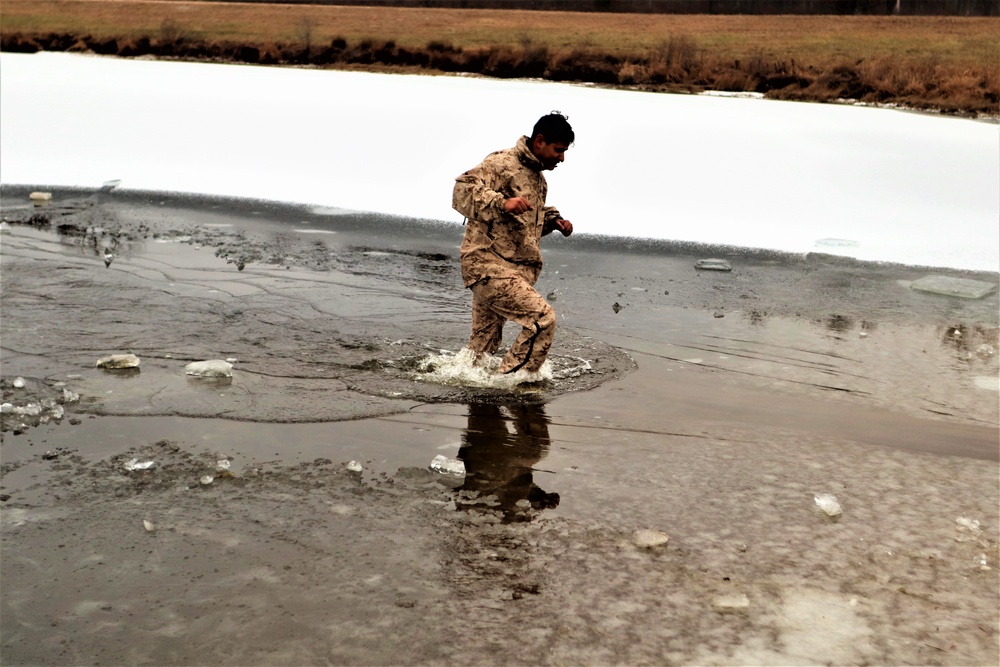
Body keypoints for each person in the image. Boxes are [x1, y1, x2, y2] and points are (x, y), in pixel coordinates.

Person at [452, 112, 575, 379]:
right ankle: (514, 384)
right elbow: (462, 190)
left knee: (482, 346)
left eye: (565, 152)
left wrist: (553, 221)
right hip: (487, 266)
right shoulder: (501, 163)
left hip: (509, 268)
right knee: (542, 320)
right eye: (559, 150)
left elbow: (519, 226)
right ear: (539, 141)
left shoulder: (538, 179)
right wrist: (500, 202)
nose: (562, 158)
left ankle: (468, 390)